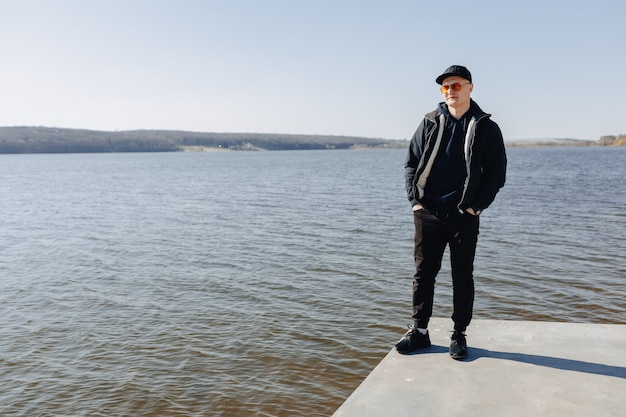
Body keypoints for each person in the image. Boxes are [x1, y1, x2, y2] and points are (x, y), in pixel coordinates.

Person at [396, 65, 507, 359]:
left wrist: (475, 207)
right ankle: (419, 332)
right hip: (428, 212)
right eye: (445, 87)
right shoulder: (430, 122)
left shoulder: (486, 127)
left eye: (456, 86)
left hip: (463, 215)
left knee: (462, 276)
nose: (450, 91)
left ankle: (458, 334)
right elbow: (411, 163)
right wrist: (415, 202)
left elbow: (497, 174)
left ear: (470, 87)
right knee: (423, 274)